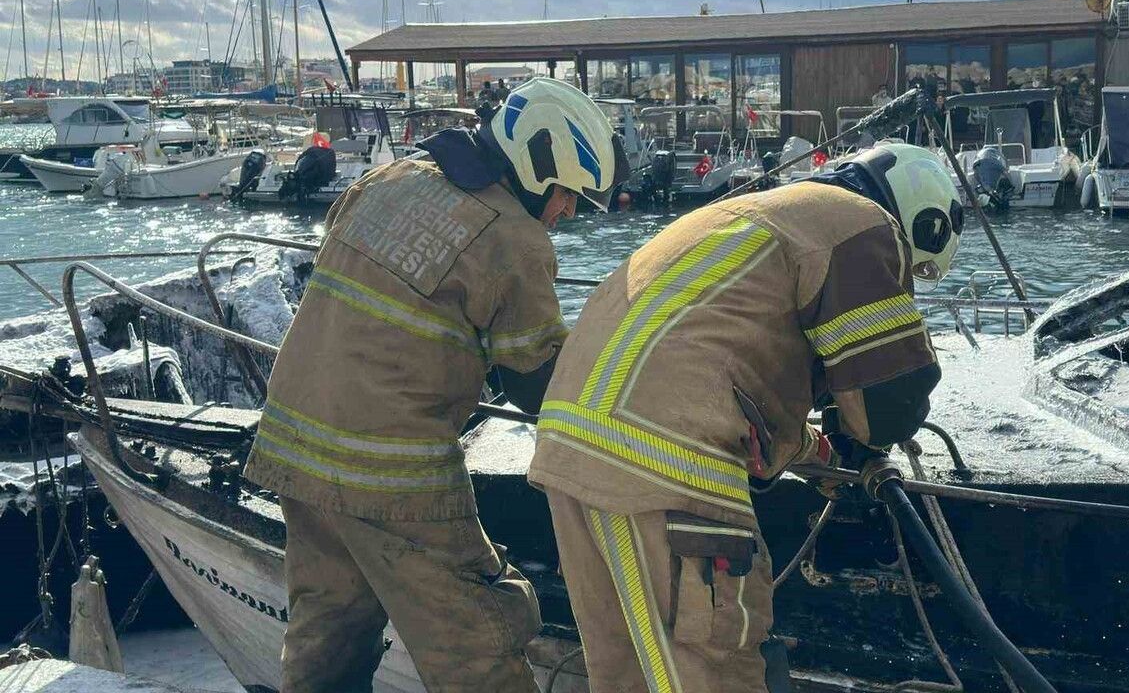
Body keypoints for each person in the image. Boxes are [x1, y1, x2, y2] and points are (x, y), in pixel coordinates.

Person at [528, 143, 963, 692]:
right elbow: (886, 404)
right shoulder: (862, 225)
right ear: (917, 221)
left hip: (572, 449)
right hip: (666, 469)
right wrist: (862, 440)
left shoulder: (756, 219)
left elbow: (718, 375)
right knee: (716, 671)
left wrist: (820, 453)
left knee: (629, 677)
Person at [242, 77, 628, 693]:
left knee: (328, 636)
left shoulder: (388, 179)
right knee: (479, 640)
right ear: (538, 165)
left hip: (294, 447)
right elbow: (538, 387)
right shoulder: (514, 238)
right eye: (568, 195)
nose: (569, 213)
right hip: (392, 474)